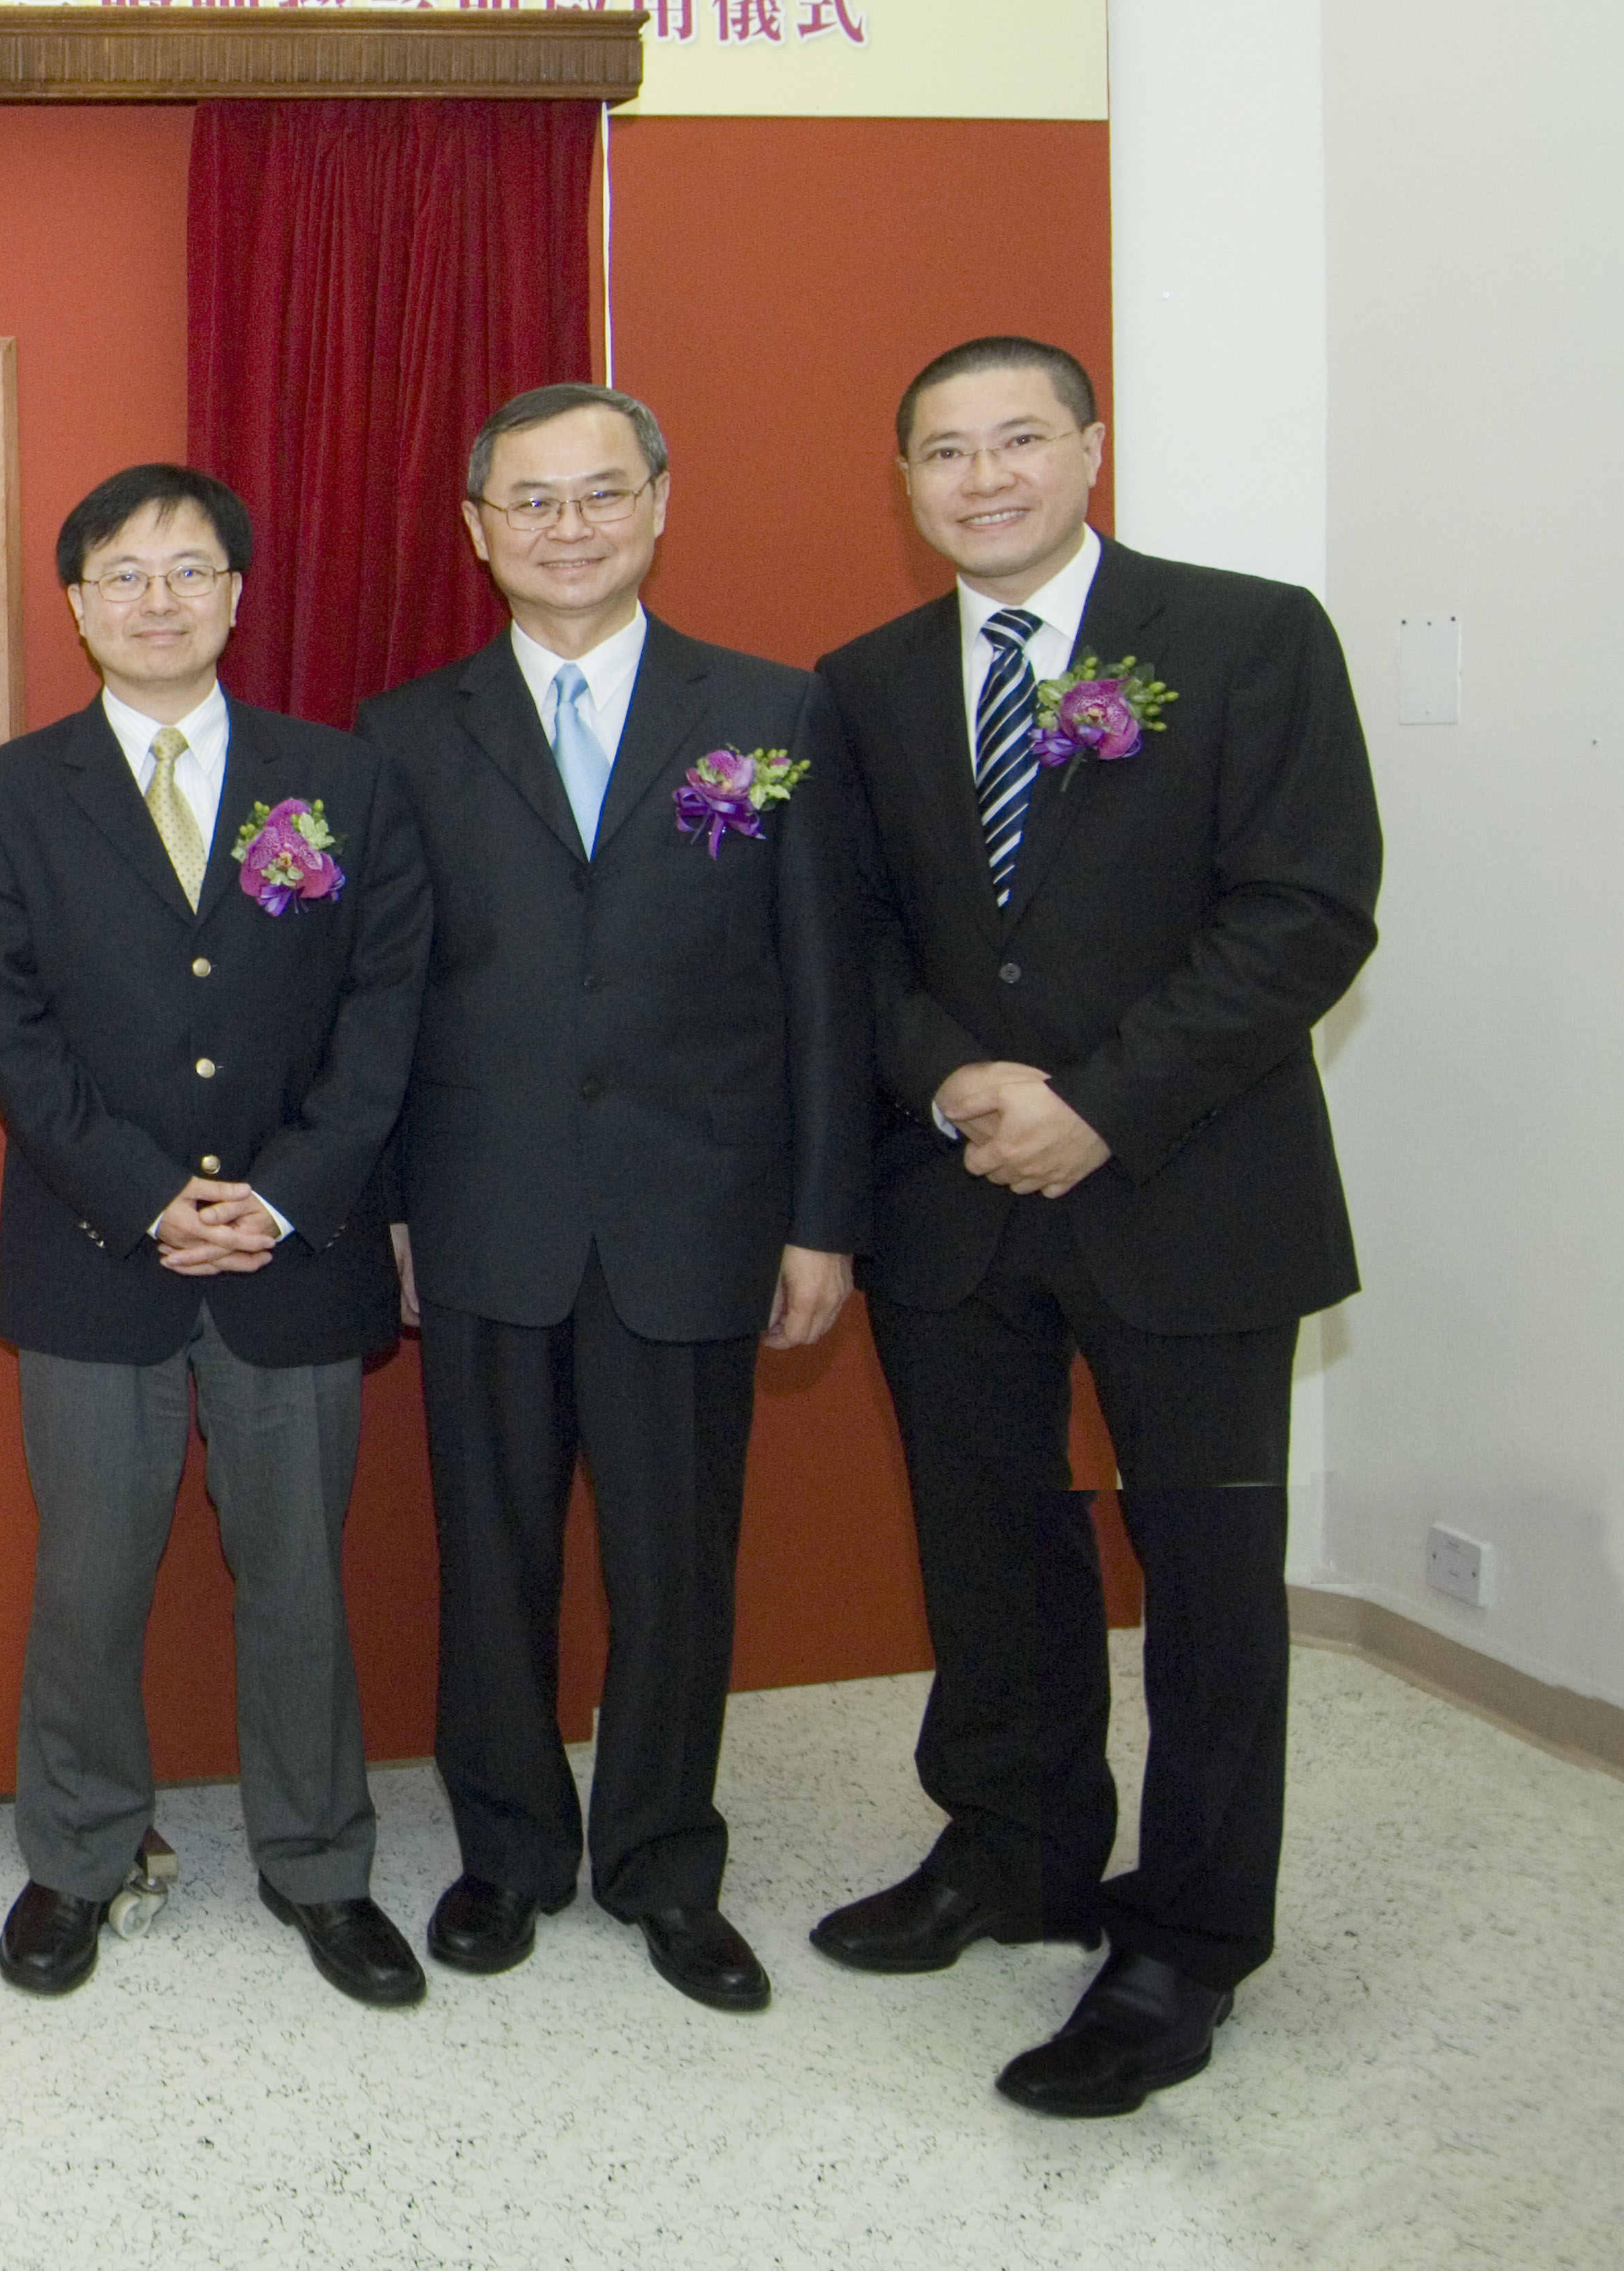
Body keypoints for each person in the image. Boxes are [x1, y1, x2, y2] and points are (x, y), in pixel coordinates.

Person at [808, 335, 1379, 2114]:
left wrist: (1098, 1102)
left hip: (1192, 1187)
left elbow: (1304, 912)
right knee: (990, 1546)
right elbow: (857, 942)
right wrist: (967, 1080)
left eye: (1019, 440)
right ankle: (1016, 1847)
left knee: (1208, 1584)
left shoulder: (1247, 634)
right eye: (945, 452)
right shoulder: (867, 680)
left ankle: (1188, 1940)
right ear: (903, 481)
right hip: (955, 1194)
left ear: (1091, 448)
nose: (985, 478)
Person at [354, 382, 868, 2014]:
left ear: (658, 503)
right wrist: (387, 1209)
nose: (565, 526)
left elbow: (825, 991)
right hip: (482, 1205)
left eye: (598, 493)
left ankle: (663, 1861)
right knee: (488, 1558)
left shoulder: (775, 712)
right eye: (530, 500)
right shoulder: (403, 734)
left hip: (697, 1211)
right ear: (478, 529)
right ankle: (507, 1853)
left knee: (677, 1564)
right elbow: (383, 999)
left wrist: (823, 1216)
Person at [0, 462, 435, 2011]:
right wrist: (153, 1194)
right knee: (91, 1575)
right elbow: (14, 1039)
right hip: (99, 1252)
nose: (158, 598)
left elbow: (384, 1017)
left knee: (298, 1571)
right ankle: (79, 1854)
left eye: (190, 568)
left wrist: (278, 1197)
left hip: (296, 1248)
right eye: (124, 573)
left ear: (236, 592)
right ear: (77, 605)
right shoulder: (9, 797)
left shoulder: (342, 783)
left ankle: (321, 1864)